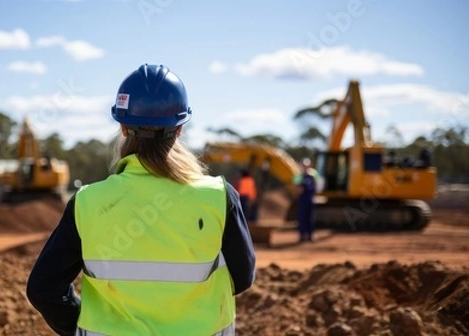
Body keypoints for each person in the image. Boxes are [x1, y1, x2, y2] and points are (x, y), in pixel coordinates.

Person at [27, 64, 256, 336]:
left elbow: (44, 288)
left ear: (123, 127)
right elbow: (241, 278)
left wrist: (80, 325)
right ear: (180, 129)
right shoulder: (219, 196)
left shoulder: (87, 202)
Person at [293, 158, 318, 242]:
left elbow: (316, 186)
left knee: (310, 218)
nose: (305, 167)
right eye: (304, 166)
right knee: (302, 218)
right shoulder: (298, 176)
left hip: (310, 199)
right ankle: (302, 235)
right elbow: (296, 188)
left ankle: (310, 235)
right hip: (302, 200)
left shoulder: (313, 175)